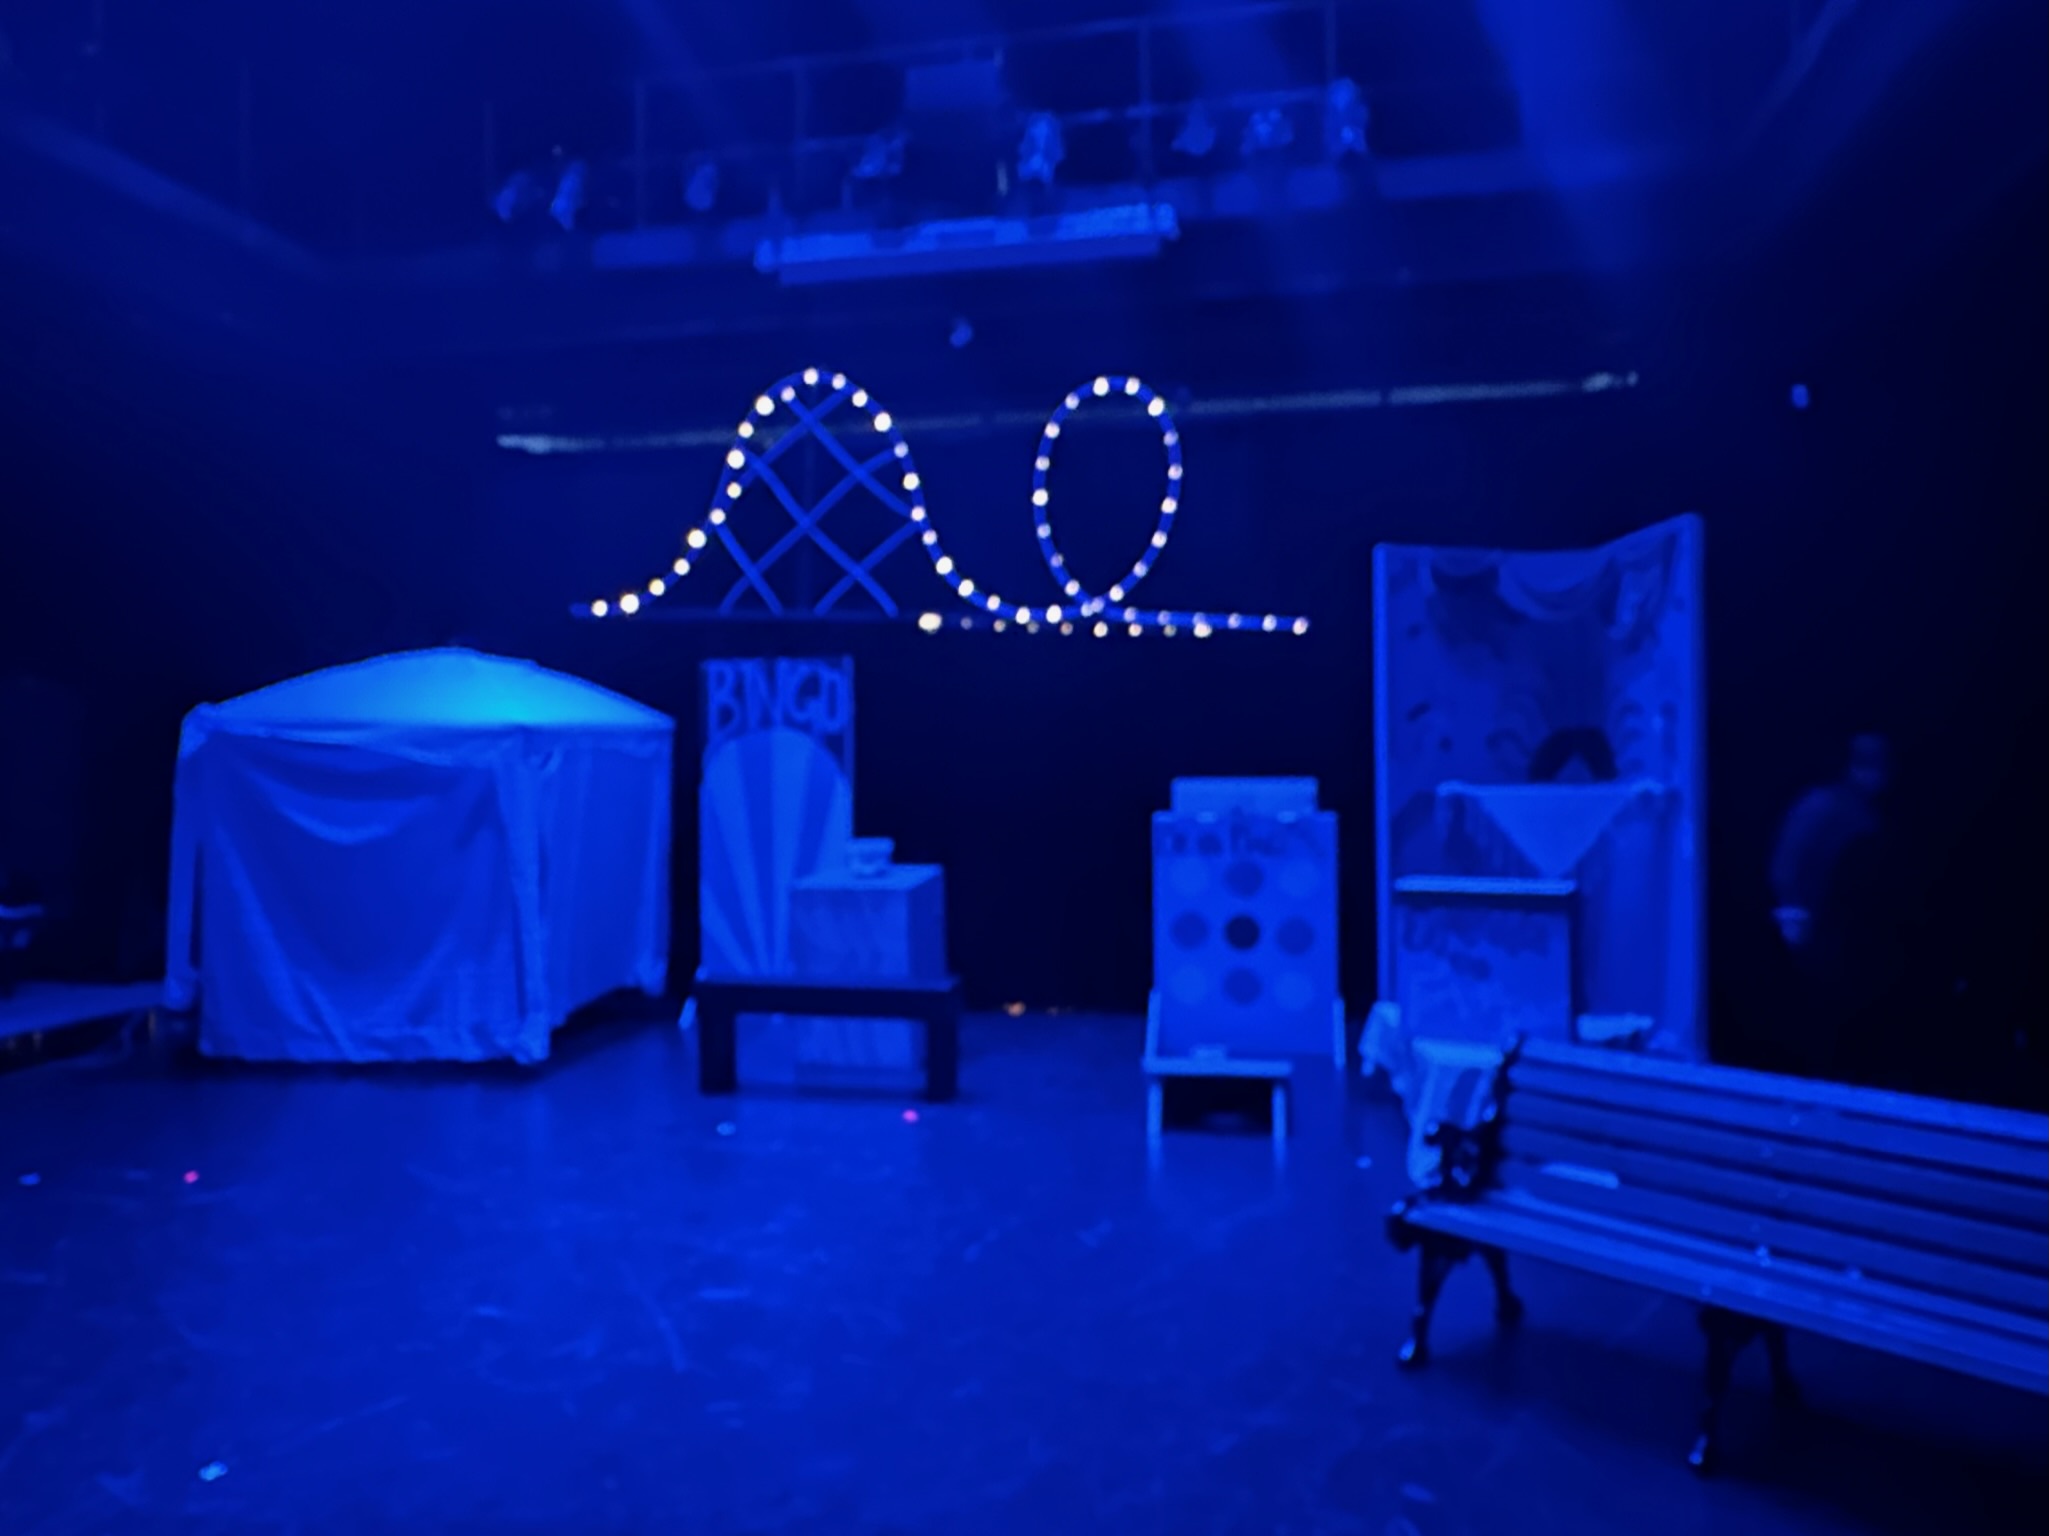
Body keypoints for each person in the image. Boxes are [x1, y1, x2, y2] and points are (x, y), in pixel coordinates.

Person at [1769, 734, 1911, 1084]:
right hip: (1816, 930)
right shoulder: (1820, 806)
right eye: (1870, 765)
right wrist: (1793, 913)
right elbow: (1786, 863)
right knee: (1817, 1014)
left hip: (1855, 935)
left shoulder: (1870, 817)